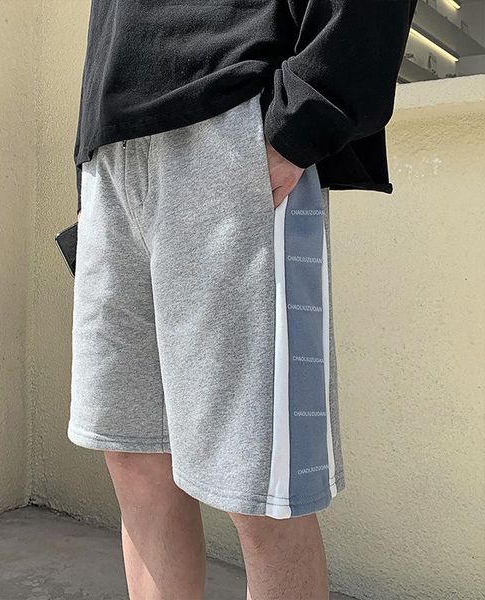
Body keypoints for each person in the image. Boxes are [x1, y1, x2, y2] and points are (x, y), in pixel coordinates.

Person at [68, 1, 417, 598]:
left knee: (261, 492)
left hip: (230, 116)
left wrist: (306, 115)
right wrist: (87, 162)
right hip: (112, 149)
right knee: (134, 461)